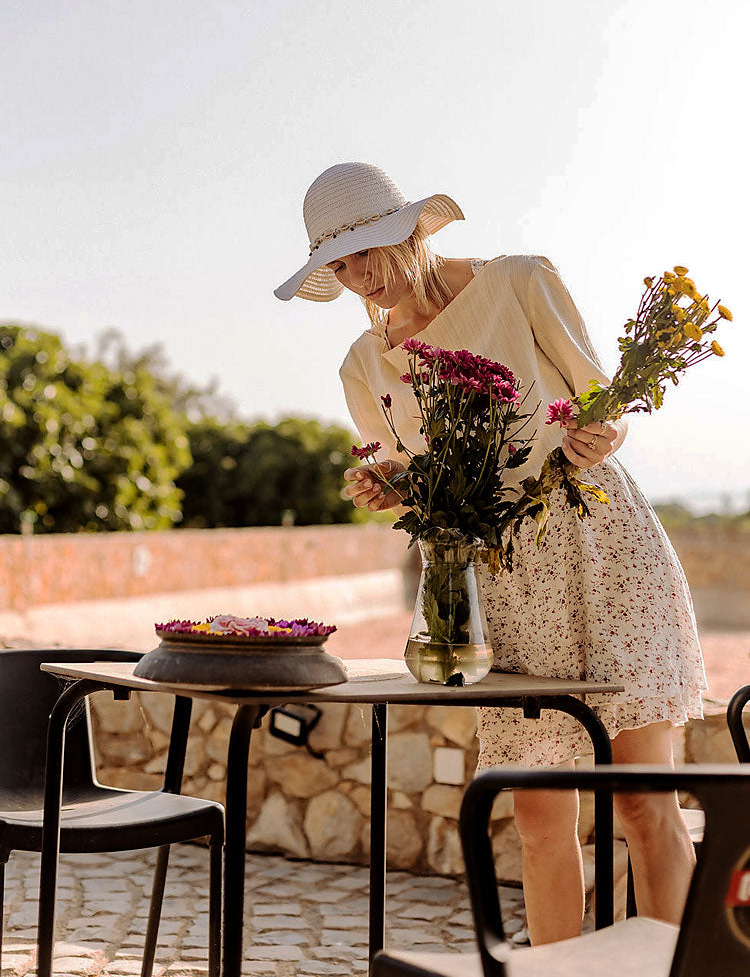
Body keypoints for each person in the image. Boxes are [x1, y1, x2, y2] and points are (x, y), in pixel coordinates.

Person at [275, 162, 707, 945]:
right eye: (338, 266)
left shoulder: (519, 281)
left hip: (602, 549)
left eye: (365, 252)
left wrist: (598, 432)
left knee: (646, 802)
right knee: (540, 819)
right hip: (498, 582)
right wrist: (392, 485)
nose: (356, 277)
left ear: (406, 231)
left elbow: (600, 404)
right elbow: (429, 473)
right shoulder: (363, 365)